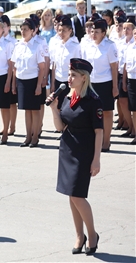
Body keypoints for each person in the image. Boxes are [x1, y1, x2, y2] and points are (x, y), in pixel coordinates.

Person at [47, 58, 102, 256]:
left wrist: (96, 159)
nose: (69, 78)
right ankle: (80, 236)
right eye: (69, 74)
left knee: (78, 196)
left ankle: (92, 234)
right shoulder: (67, 97)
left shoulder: (93, 101)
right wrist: (54, 109)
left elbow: (99, 132)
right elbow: (61, 127)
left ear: (83, 78)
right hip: (67, 150)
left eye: (73, 75)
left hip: (84, 152)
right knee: (71, 195)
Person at [80, 19, 118, 152]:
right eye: (92, 31)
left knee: (106, 113)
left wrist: (115, 87)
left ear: (103, 33)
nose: (93, 34)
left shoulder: (110, 46)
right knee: (91, 113)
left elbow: (114, 67)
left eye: (96, 32)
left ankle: (106, 141)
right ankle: (95, 141)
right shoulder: (87, 45)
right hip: (91, 84)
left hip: (105, 83)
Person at [11, 18, 46, 147]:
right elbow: (15, 66)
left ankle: (35, 136)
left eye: (26, 29)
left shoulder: (37, 46)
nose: (23, 31)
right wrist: (14, 84)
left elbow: (42, 67)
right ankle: (28, 136)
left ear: (33, 31)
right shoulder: (18, 45)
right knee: (26, 110)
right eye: (22, 29)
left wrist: (38, 85)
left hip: (33, 80)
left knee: (34, 110)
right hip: (21, 80)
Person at [50, 16, 81, 111]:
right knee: (58, 108)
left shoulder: (75, 46)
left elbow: (78, 68)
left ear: (70, 31)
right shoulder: (57, 45)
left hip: (71, 82)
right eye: (59, 30)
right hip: (59, 81)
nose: (61, 33)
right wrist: (52, 84)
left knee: (70, 108)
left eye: (64, 30)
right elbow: (54, 65)